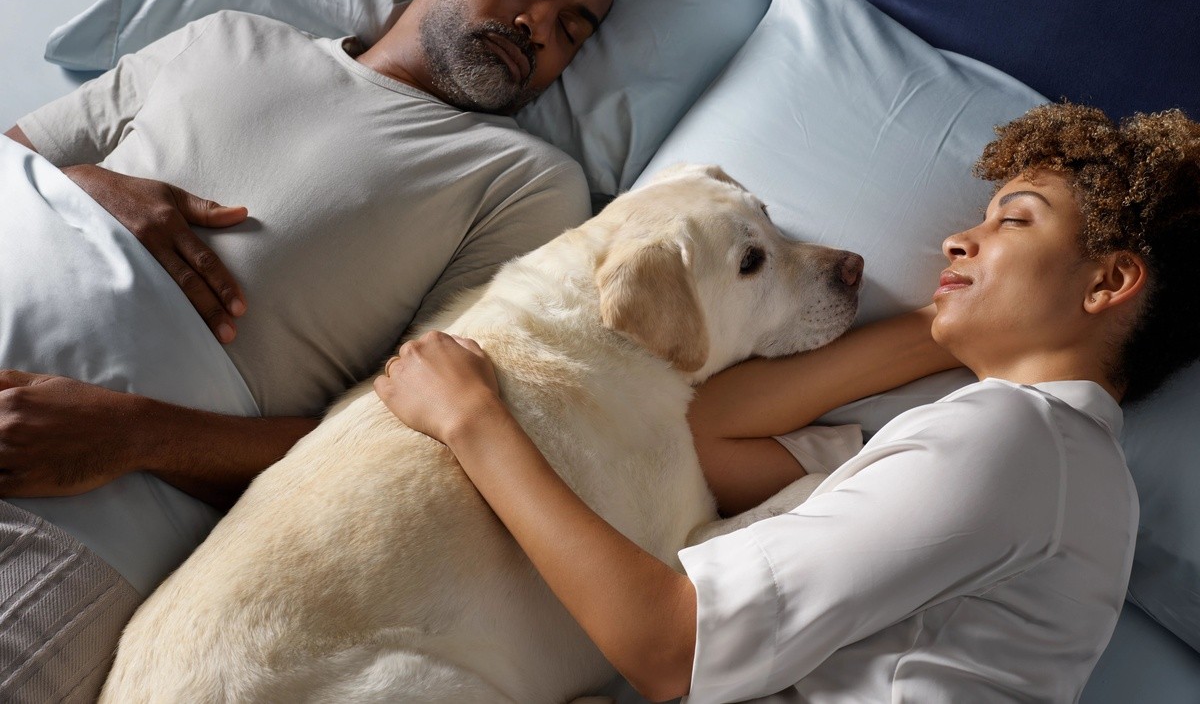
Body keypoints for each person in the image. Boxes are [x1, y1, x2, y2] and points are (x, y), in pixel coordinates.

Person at [0, 0, 620, 701]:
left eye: (571, 29)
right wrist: (89, 181)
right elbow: (15, 159)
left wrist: (134, 436)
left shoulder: (524, 184)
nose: (539, 27)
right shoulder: (229, 38)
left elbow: (404, 445)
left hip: (86, 506)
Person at [375, 101, 1200, 702]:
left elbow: (671, 645)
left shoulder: (1015, 444)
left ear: (1109, 281)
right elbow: (708, 435)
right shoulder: (1043, 462)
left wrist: (472, 421)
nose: (958, 238)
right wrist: (947, 323)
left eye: (1013, 223)